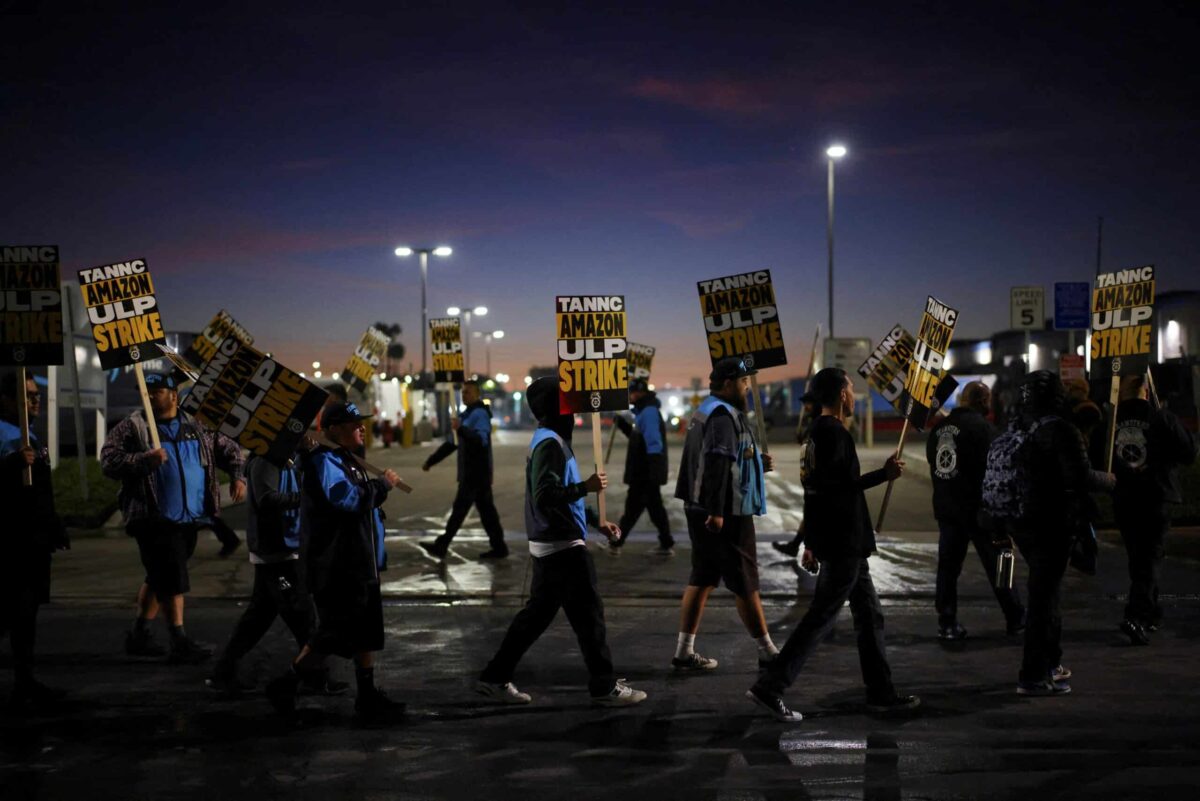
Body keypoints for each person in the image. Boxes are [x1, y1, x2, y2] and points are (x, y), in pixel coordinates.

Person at [748, 368, 919, 722]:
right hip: (845, 542)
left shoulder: (814, 435)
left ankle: (881, 693)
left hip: (843, 542)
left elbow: (814, 492)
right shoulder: (834, 433)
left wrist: (810, 542)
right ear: (842, 394)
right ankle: (772, 685)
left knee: (869, 616)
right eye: (852, 388)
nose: (855, 395)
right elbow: (839, 489)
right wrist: (883, 475)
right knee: (821, 617)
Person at [476, 377, 646, 707]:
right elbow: (546, 496)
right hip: (561, 546)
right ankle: (603, 685)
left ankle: (494, 677)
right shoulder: (550, 444)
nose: (573, 408)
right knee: (589, 616)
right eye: (567, 402)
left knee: (537, 618)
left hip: (554, 543)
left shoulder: (550, 438)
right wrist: (587, 486)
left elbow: (562, 494)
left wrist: (597, 522)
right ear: (556, 407)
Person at [266, 402, 405, 721]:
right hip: (338, 565)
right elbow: (347, 499)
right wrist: (381, 486)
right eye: (353, 423)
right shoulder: (324, 460)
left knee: (365, 631)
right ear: (331, 429)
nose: (361, 427)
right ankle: (287, 681)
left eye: (361, 422)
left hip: (360, 561)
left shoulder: (345, 458)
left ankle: (367, 695)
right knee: (334, 633)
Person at [102, 372, 245, 665]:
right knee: (173, 579)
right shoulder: (134, 427)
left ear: (173, 395)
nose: (150, 395)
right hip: (153, 519)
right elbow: (108, 460)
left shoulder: (196, 425)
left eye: (156, 391)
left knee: (158, 578)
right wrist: (143, 461)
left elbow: (230, 449)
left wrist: (238, 476)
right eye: (146, 391)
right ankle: (179, 640)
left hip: (190, 518)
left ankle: (139, 635)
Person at [206, 441, 347, 697]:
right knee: (301, 613)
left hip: (286, 546)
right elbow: (266, 499)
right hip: (277, 551)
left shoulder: (290, 458)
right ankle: (315, 676)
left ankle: (223, 672)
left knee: (258, 618)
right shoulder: (265, 461)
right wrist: (303, 498)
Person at [672, 357, 780, 673]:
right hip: (725, 512)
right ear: (730, 383)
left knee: (703, 577)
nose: (748, 387)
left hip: (700, 507)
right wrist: (717, 512)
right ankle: (768, 651)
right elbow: (718, 463)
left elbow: (726, 458)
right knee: (745, 579)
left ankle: (683, 652)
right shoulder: (722, 416)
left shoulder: (707, 410)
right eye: (745, 382)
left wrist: (757, 463)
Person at [1009, 370, 1114, 696]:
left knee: (1045, 596)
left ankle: (1050, 664)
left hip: (1021, 522)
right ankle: (1034, 675)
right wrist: (1110, 481)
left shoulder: (1017, 427)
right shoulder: (1060, 430)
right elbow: (1080, 478)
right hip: (1052, 524)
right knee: (1043, 600)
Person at [927, 381, 1025, 639]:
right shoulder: (983, 429)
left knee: (948, 569)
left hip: (947, 509)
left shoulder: (938, 430)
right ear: (983, 401)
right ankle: (1015, 617)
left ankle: (946, 621)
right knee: (1001, 565)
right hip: (981, 510)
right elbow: (998, 468)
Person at [0, 373, 69, 711]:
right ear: (6, 400)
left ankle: (25, 682)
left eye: (36, 395)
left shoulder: (31, 434)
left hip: (33, 542)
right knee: (13, 614)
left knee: (26, 616)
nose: (35, 401)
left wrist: (54, 525)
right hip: (10, 543)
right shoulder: (2, 433)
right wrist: (10, 465)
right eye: (28, 396)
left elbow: (39, 490)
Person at [1112, 374, 1196, 646]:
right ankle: (1136, 616)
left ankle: (1150, 612)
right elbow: (1189, 452)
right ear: (1146, 392)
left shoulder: (1111, 421)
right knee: (1149, 558)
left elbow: (1096, 458)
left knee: (1141, 558)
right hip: (1156, 497)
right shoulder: (1162, 418)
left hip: (1124, 498)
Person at [419, 380, 508, 559]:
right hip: (472, 474)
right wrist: (431, 461)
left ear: (476, 394)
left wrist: (461, 429)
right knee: (486, 512)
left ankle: (442, 545)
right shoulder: (466, 415)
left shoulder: (479, 414)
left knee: (460, 510)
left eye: (467, 392)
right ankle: (499, 547)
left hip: (476, 474)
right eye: (463, 392)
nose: (464, 395)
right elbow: (452, 444)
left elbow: (480, 441)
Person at [610, 378, 673, 555]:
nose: (628, 396)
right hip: (645, 472)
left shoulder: (649, 412)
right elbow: (639, 439)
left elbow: (653, 443)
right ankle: (666, 543)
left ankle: (616, 543)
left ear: (638, 393)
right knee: (654, 509)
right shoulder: (643, 412)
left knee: (633, 509)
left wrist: (653, 473)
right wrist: (623, 425)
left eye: (630, 392)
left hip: (644, 473)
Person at [773, 394, 819, 559]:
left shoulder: (820, 423)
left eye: (808, 403)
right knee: (810, 513)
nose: (805, 407)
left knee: (815, 514)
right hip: (809, 477)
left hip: (817, 480)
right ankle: (796, 545)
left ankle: (807, 548)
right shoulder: (811, 421)